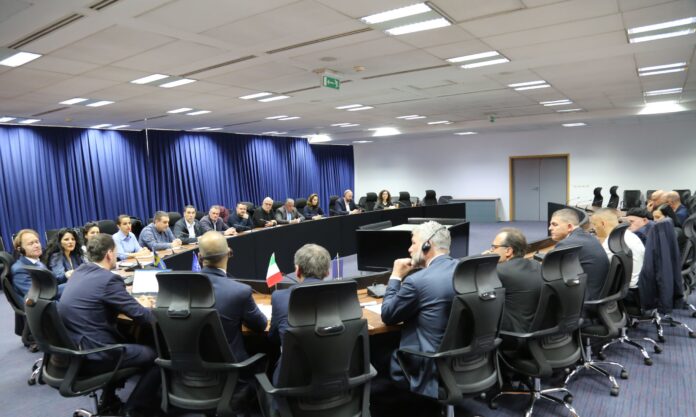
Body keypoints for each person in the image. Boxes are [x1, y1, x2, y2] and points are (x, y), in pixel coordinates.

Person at [57, 234, 159, 416]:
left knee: (130, 335)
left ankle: (109, 400)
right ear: (110, 254)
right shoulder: (108, 280)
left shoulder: (80, 271)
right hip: (96, 353)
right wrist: (147, 306)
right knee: (157, 355)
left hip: (73, 349)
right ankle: (132, 410)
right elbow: (144, 317)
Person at [380, 221, 459, 398]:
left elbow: (388, 315)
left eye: (413, 243)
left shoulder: (417, 281)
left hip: (429, 364)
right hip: (463, 358)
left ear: (426, 245)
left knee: (378, 350)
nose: (409, 249)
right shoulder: (465, 270)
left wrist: (395, 276)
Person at [198, 232, 267, 360]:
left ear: (200, 257)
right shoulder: (240, 291)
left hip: (187, 368)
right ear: (229, 253)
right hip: (232, 367)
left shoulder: (179, 290)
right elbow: (260, 325)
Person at [269, 243, 330, 384]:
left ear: (297, 271)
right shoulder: (343, 296)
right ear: (327, 272)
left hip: (291, 381)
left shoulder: (279, 297)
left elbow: (273, 338)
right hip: (335, 379)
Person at [486, 228, 542, 333]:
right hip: (536, 331)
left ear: (508, 251)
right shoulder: (536, 265)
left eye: (494, 247)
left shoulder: (499, 271)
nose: (491, 251)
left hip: (511, 334)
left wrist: (484, 261)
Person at [549, 208, 609, 303]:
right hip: (598, 295)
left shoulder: (566, 244)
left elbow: (551, 275)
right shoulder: (589, 237)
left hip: (585, 302)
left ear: (569, 227)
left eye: (554, 224)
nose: (550, 228)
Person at [590, 208, 644, 292]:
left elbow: (600, 269)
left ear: (603, 224)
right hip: (636, 285)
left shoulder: (611, 243)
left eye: (594, 224)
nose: (593, 228)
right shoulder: (629, 235)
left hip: (625, 291)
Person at [11, 229, 62, 298]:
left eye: (37, 242)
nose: (36, 245)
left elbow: (50, 281)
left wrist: (66, 276)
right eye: (31, 243)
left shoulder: (36, 261)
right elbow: (38, 294)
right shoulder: (20, 270)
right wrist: (67, 288)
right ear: (20, 249)